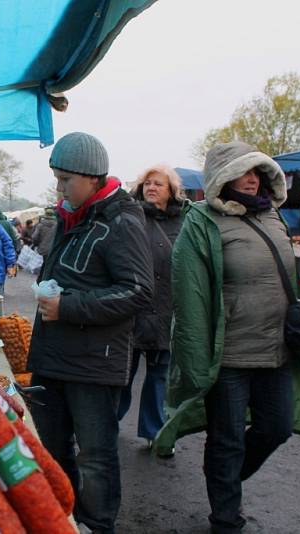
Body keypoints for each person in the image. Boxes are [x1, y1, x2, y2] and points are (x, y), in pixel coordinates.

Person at [154, 141, 300, 533]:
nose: (250, 179)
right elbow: (189, 296)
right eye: (242, 172)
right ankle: (225, 517)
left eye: (256, 172)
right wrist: (194, 361)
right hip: (228, 357)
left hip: (277, 350)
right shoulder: (202, 221)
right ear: (221, 178)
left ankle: (223, 480)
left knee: (276, 427)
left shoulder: (273, 216)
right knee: (227, 439)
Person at [27, 132, 153, 534]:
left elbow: (137, 291)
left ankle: (97, 525)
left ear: (93, 176)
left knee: (95, 456)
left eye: (66, 179)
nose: (59, 187)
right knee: (53, 450)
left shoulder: (122, 222)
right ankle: (62, 520)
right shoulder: (69, 217)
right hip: (53, 356)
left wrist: (68, 307)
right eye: (56, 178)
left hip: (94, 364)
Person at [117, 164, 185, 457]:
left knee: (159, 377)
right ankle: (107, 424)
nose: (152, 188)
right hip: (133, 311)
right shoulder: (131, 217)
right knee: (123, 374)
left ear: (171, 190)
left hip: (168, 311)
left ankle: (154, 432)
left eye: (159, 184)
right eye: (147, 183)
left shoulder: (185, 221)